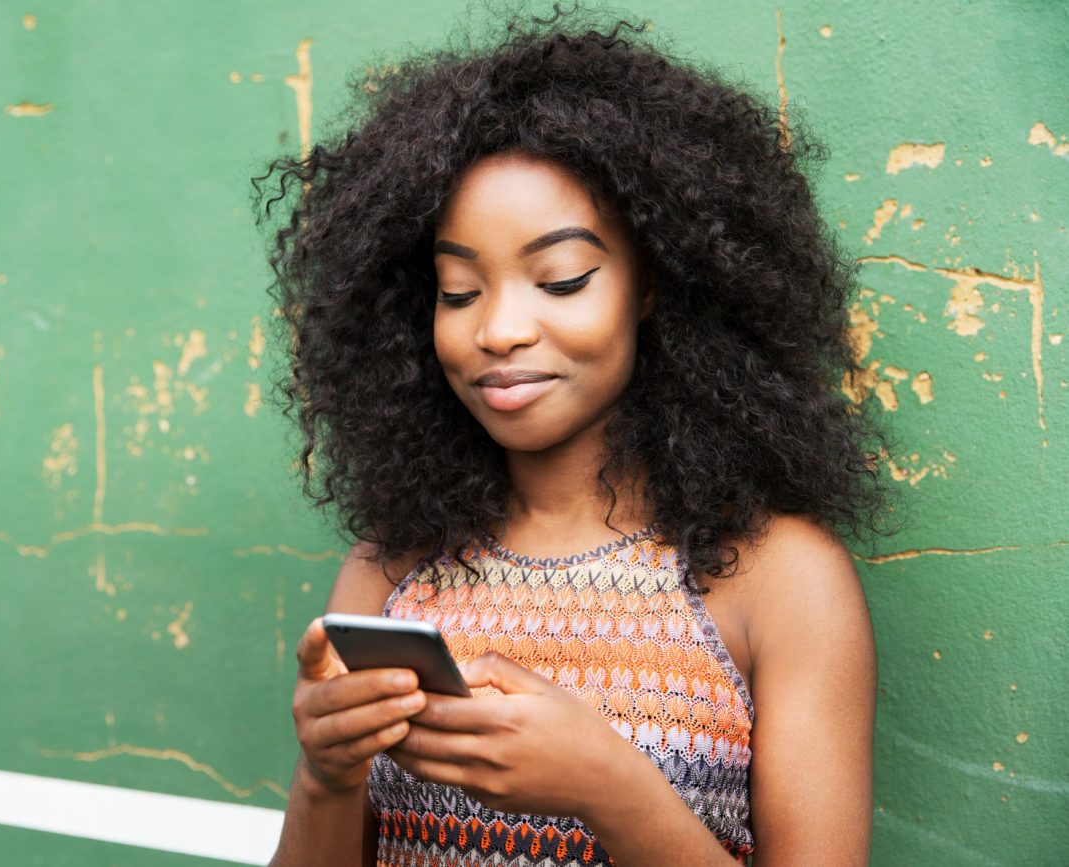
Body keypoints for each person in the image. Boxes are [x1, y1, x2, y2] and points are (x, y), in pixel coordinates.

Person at [258, 10, 891, 865]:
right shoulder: (391, 572)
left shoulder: (779, 580)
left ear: (653, 284)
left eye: (561, 279)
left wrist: (609, 787)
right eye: (457, 291)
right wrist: (326, 778)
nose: (501, 330)